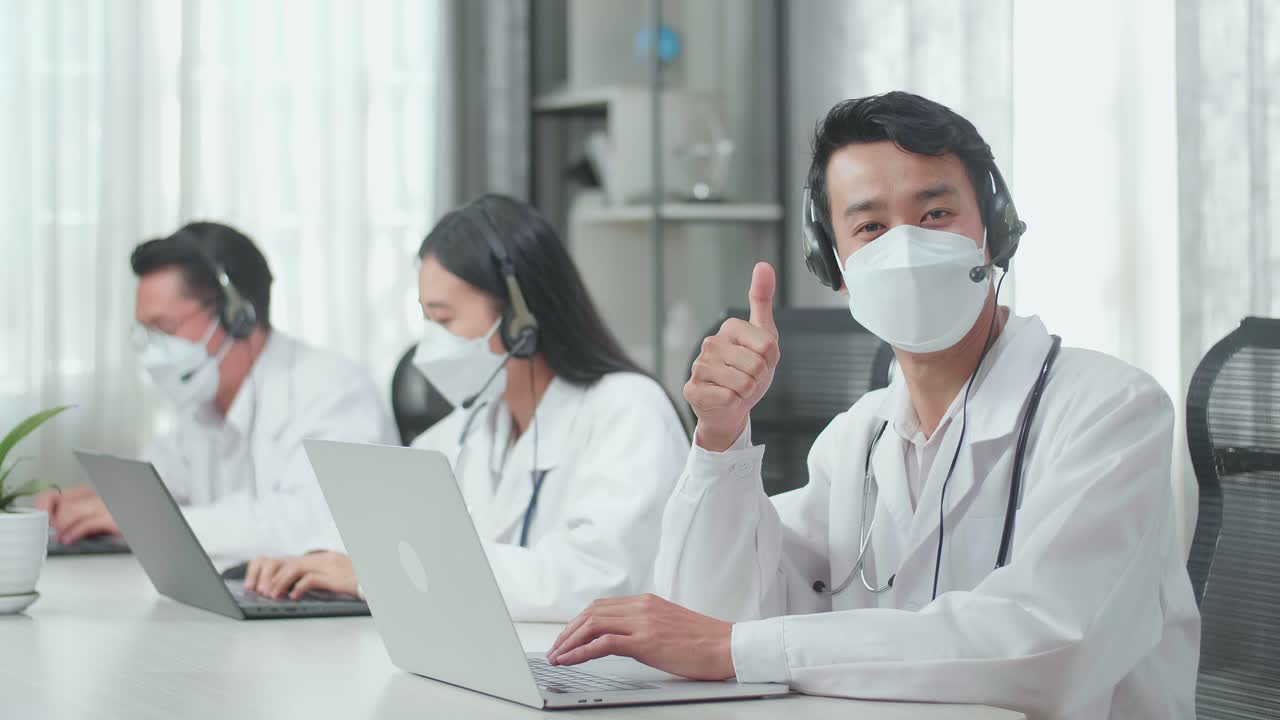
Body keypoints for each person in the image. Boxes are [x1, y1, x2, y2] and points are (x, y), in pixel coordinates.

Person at [545, 92, 1201, 718]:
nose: (906, 247)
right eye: (870, 227)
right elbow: (708, 613)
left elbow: (1050, 648)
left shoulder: (1111, 411)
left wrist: (734, 648)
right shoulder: (856, 441)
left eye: (935, 214)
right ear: (834, 266)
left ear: (993, 232)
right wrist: (719, 438)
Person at [244, 195, 690, 621]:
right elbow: (379, 528)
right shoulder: (468, 428)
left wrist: (372, 574)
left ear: (520, 319)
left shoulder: (628, 410)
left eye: (445, 319)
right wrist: (316, 559)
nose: (431, 342)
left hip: (608, 684)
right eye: (426, 319)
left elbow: (596, 581)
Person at [36, 222, 396, 560]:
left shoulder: (333, 389)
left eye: (166, 327)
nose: (154, 351)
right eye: (146, 333)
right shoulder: (202, 403)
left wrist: (149, 522)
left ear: (238, 316)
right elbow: (160, 487)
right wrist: (99, 503)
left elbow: (310, 524)